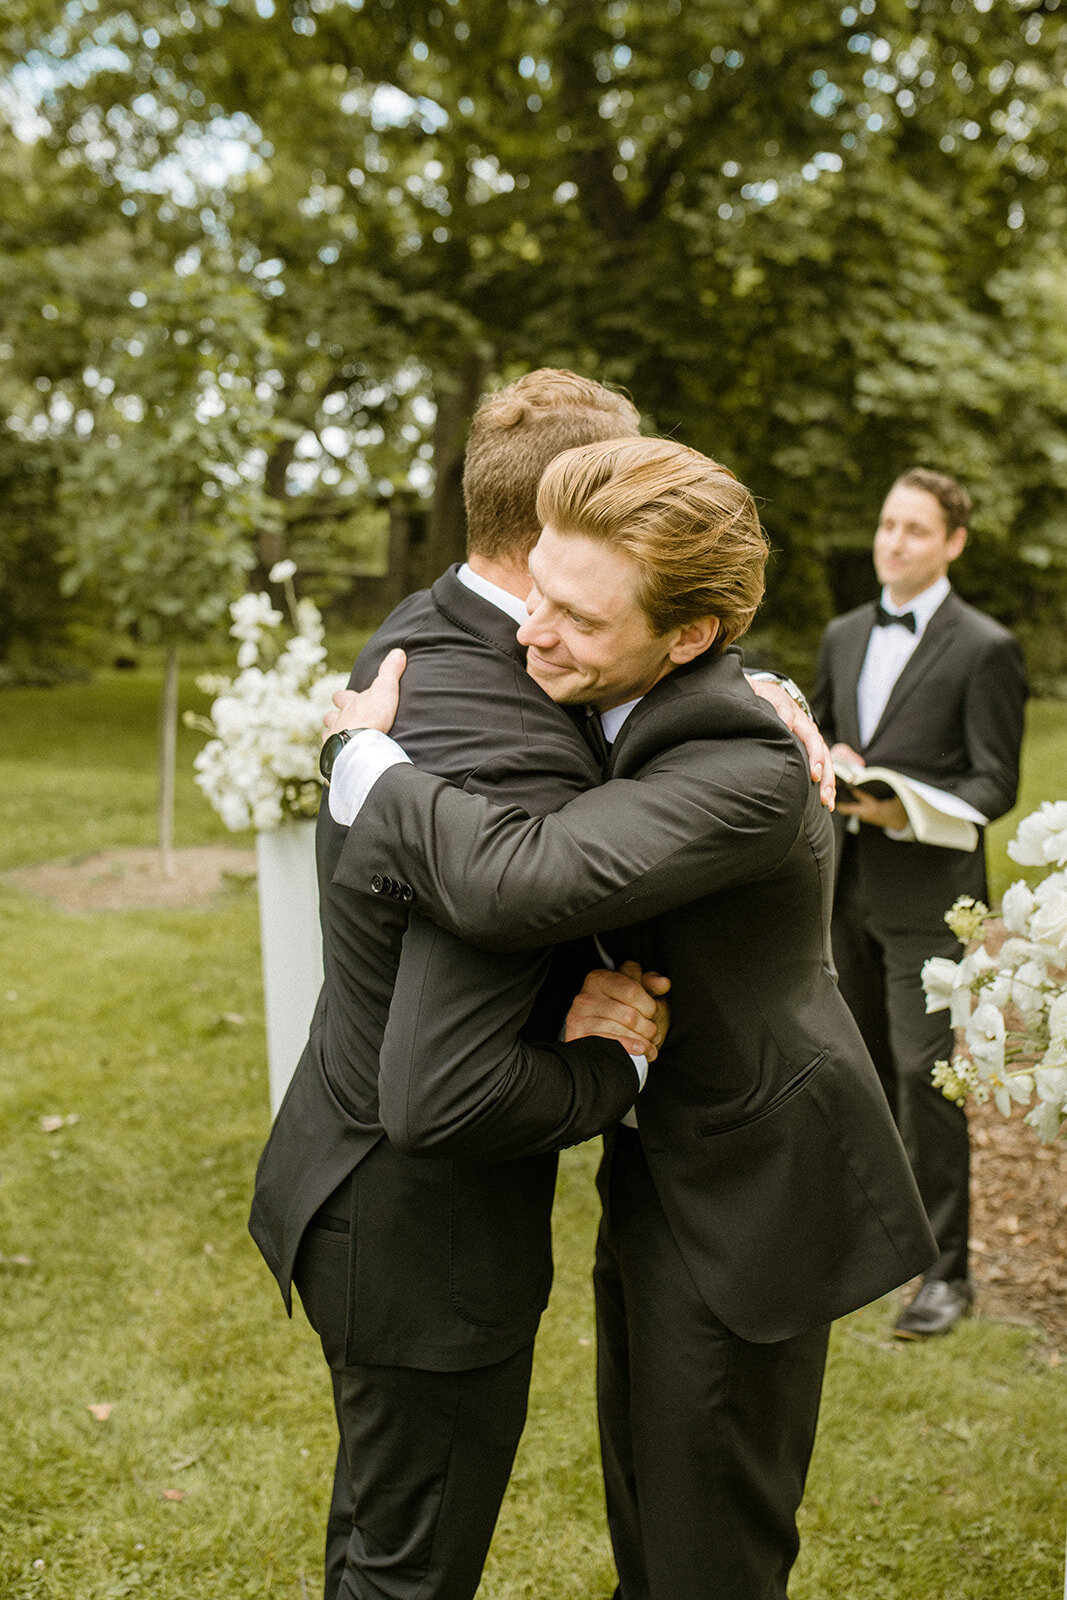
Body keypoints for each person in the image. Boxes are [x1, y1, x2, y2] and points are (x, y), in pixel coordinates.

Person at [321, 435, 937, 1600]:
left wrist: (364, 762)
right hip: (668, 1167)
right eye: (537, 593)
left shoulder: (745, 765)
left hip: (750, 1188)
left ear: (687, 637)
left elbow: (519, 879)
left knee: (708, 1556)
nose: (529, 634)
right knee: (649, 1519)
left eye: (577, 620)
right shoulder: (651, 684)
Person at [811, 467, 1027, 1338]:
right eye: (886, 524)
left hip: (931, 898)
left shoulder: (984, 647)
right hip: (842, 890)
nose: (892, 541)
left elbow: (994, 780)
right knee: (853, 1064)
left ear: (951, 543)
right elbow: (822, 733)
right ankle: (867, 1240)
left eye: (913, 529)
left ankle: (947, 1271)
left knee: (921, 1074)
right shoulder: (840, 633)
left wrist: (907, 806)